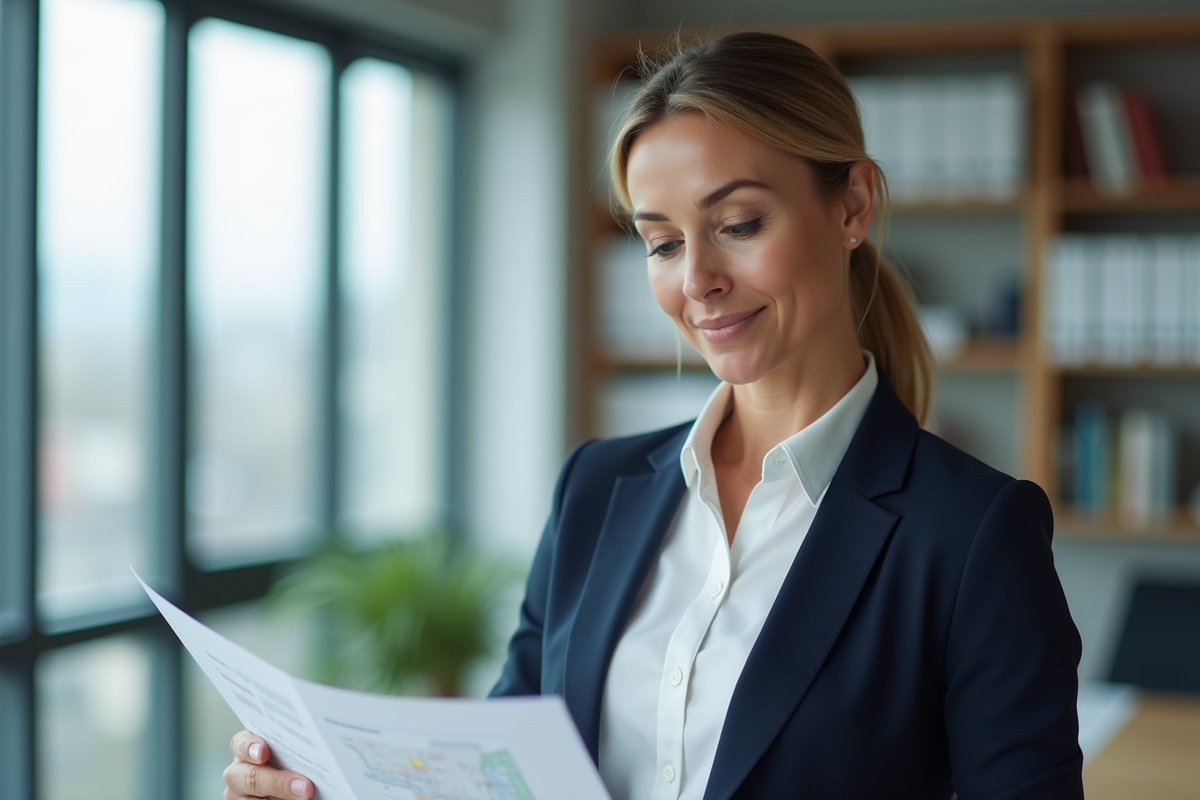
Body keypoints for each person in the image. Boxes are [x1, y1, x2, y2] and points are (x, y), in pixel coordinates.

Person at [223, 31, 1083, 800]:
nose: (696, 279)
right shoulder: (597, 487)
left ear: (852, 206)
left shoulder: (973, 535)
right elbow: (502, 773)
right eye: (663, 243)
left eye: (738, 223)